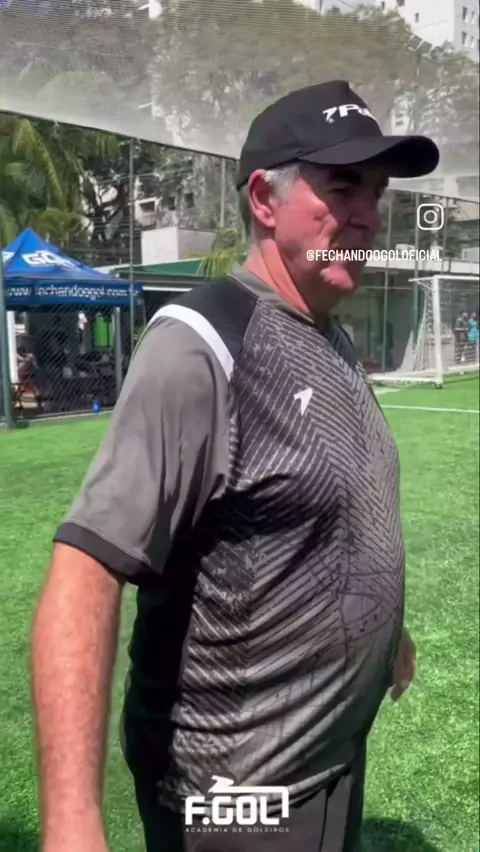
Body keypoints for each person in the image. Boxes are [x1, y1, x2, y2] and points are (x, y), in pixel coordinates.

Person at [31, 80, 438, 852]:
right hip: (234, 798)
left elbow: (319, 517)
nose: (366, 214)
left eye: (376, 192)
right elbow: (85, 568)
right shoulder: (201, 346)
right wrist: (73, 822)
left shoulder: (329, 337)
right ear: (263, 199)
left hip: (328, 763)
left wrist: (385, 633)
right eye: (342, 186)